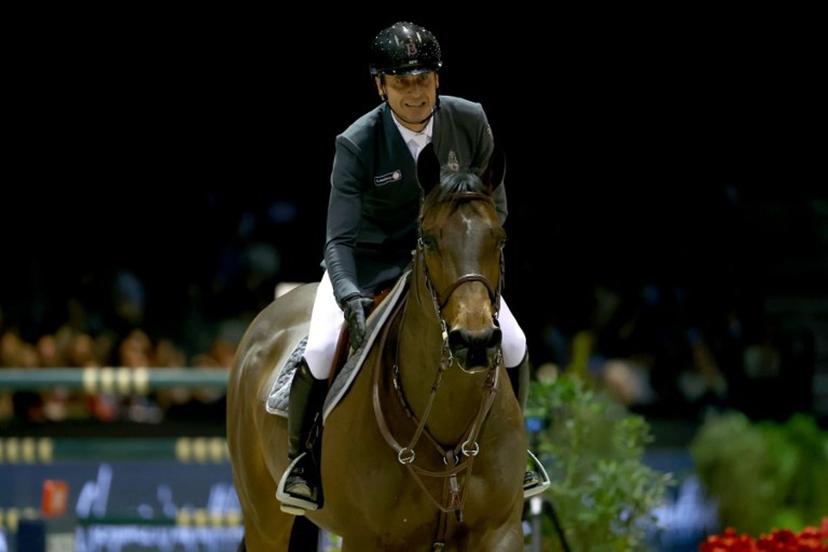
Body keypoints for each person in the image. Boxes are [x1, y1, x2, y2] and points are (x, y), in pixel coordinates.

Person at [280, 21, 540, 513]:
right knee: (317, 349)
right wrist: (350, 295)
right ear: (381, 86)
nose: (414, 93)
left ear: (437, 79)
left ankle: (517, 455)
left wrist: (464, 262)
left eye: (422, 79)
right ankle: (304, 464)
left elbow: (495, 212)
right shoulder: (357, 142)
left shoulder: (471, 120)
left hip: (449, 267)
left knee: (515, 342)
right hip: (371, 265)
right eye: (401, 82)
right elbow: (338, 239)